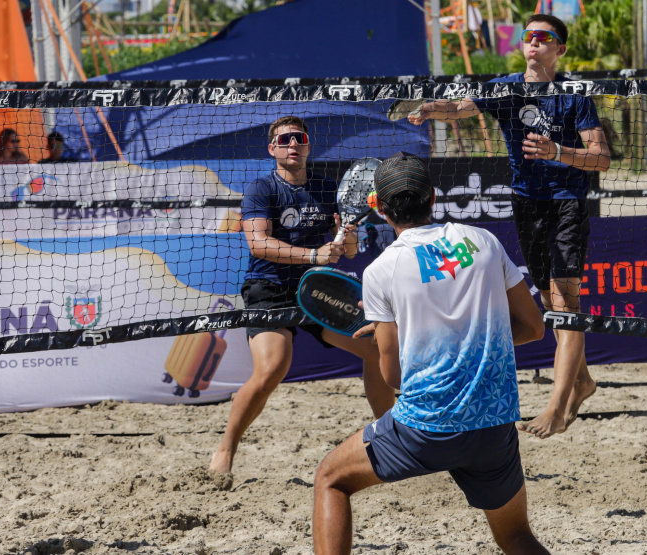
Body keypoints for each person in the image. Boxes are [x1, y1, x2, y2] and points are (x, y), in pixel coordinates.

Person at [313, 153, 548, 555]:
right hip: (495, 423)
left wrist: (408, 339)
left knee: (330, 479)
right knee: (516, 537)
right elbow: (533, 327)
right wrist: (467, 338)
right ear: (434, 197)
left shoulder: (381, 271)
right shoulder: (483, 241)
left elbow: (395, 378)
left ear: (378, 207)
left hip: (428, 426)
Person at [409, 13, 611, 439]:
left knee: (564, 301)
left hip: (566, 204)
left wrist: (558, 151)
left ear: (560, 48)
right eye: (528, 36)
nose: (533, 42)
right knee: (550, 301)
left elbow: (601, 158)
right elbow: (460, 109)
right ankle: (583, 382)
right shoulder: (506, 87)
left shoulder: (574, 95)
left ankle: (556, 407)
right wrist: (433, 110)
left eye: (544, 37)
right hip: (526, 204)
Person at [209, 116, 396, 474]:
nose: (292, 144)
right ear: (272, 149)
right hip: (270, 288)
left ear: (308, 146)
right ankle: (227, 446)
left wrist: (348, 232)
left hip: (318, 286)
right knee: (272, 369)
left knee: (376, 349)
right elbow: (258, 244)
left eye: (299, 138)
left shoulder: (327, 189)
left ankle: (390, 437)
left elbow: (352, 252)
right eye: (284, 140)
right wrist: (313, 254)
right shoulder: (262, 189)